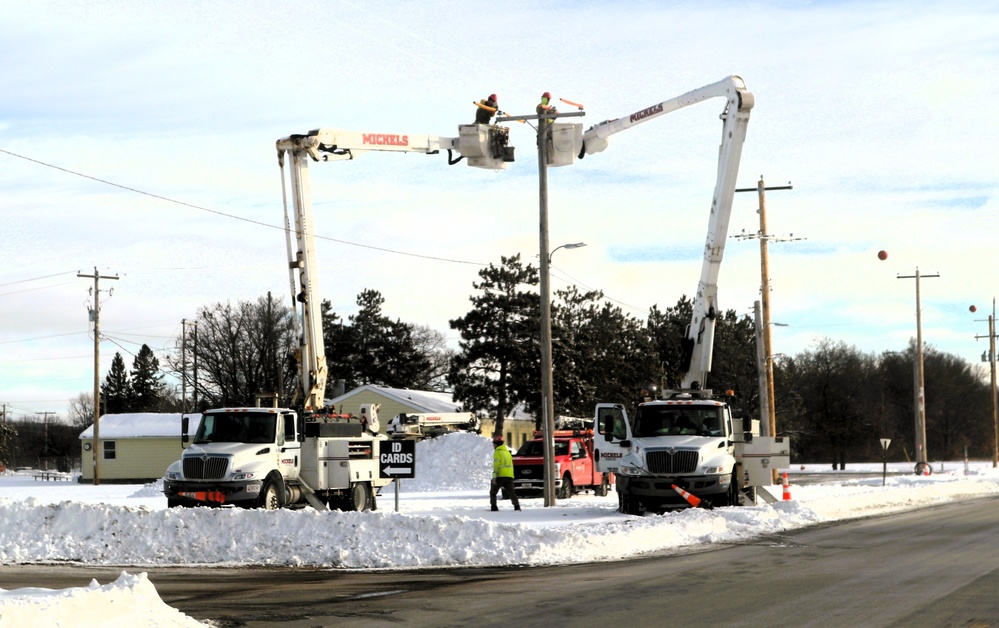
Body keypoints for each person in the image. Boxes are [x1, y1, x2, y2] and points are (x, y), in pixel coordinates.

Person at [490, 434, 521, 511]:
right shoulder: (507, 453)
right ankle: (516, 506)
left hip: (500, 476)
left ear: (496, 444)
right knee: (511, 493)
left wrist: (494, 477)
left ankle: (494, 507)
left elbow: (496, 465)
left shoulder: (497, 452)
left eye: (493, 444)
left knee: (493, 492)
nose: (493, 445)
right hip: (509, 476)